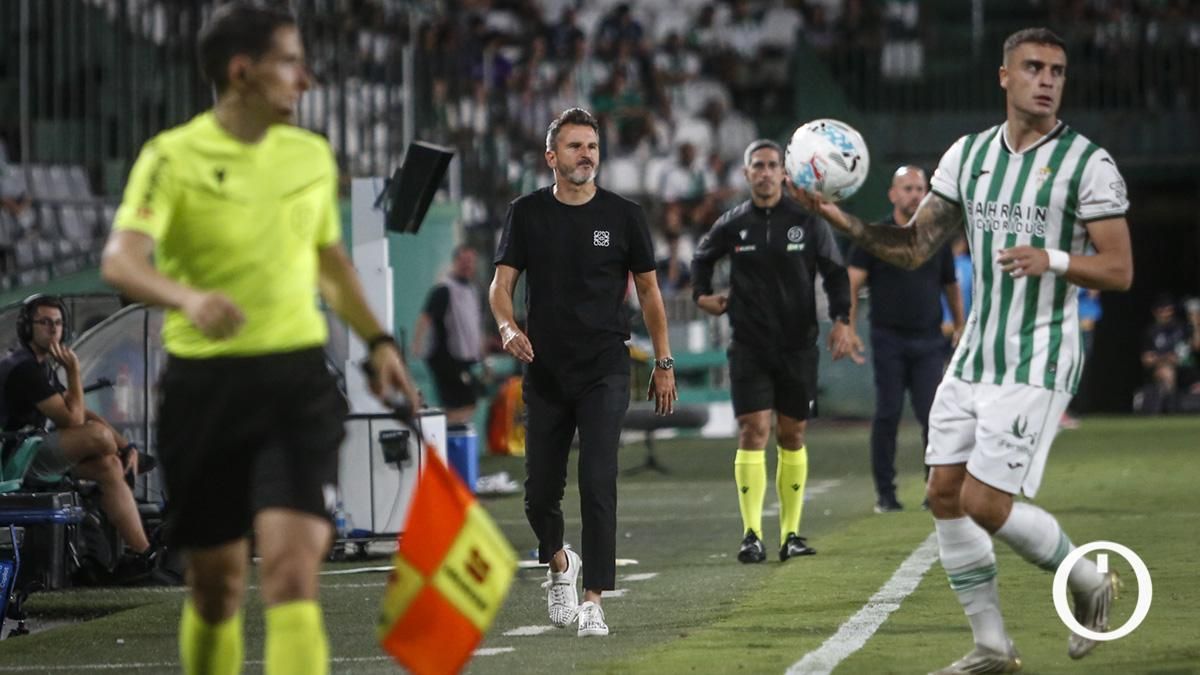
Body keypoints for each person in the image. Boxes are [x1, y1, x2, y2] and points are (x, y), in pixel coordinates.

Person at [788, 27, 1134, 673]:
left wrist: (1054, 257)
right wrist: (845, 223)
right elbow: (915, 248)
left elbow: (1119, 269)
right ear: (1005, 76)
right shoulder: (969, 156)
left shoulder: (1089, 163)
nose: (1047, 80)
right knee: (944, 492)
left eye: (1057, 70)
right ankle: (993, 646)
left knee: (983, 501)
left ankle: (1088, 580)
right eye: (1033, 67)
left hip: (1038, 355)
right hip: (975, 353)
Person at [99, 4, 419, 674]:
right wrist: (187, 295)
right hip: (204, 388)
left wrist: (379, 341)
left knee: (292, 571)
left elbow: (328, 260)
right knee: (215, 587)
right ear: (242, 72)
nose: (304, 78)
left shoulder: (309, 154)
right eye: (289, 61)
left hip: (298, 385)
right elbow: (121, 260)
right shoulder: (174, 156)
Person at [489, 107, 676, 639]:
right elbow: (500, 286)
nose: (585, 155)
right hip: (545, 372)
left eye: (591, 146)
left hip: (605, 369)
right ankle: (560, 565)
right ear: (552, 157)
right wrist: (506, 328)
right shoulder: (525, 213)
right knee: (538, 494)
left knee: (598, 479)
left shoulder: (624, 215)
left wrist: (663, 362)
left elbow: (649, 292)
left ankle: (594, 598)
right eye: (574, 147)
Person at [691, 138, 854, 565]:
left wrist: (842, 320)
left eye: (772, 165)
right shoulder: (732, 223)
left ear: (784, 172)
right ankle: (751, 534)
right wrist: (701, 296)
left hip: (798, 346)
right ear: (746, 175)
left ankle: (791, 534)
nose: (764, 173)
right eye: (757, 166)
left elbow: (836, 273)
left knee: (792, 434)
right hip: (748, 344)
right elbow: (701, 260)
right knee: (752, 431)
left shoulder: (808, 220)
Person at [0, 295, 154, 560]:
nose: (53, 329)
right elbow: (73, 421)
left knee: (110, 466)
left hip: (29, 453)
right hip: (13, 459)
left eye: (58, 323)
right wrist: (73, 372)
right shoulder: (24, 367)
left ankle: (144, 554)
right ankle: (124, 460)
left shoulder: (39, 364)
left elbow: (83, 412)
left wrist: (125, 446)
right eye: (45, 322)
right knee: (99, 437)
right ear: (27, 328)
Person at [847, 165, 964, 513]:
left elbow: (951, 285)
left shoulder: (934, 236)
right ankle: (886, 493)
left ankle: (935, 490)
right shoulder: (876, 234)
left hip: (929, 339)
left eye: (920, 188)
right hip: (888, 338)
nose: (915, 194)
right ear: (892, 194)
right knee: (888, 414)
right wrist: (849, 326)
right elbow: (852, 282)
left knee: (934, 417)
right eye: (908, 188)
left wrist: (960, 324)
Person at [411, 245, 487, 426]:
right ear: (455, 262)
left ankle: (441, 430)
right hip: (445, 358)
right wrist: (417, 344)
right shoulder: (444, 289)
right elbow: (425, 317)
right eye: (464, 261)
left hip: (464, 359)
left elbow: (475, 325)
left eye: (471, 261)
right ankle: (432, 428)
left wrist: (482, 353)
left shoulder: (473, 291)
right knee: (468, 401)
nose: (467, 265)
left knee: (462, 404)